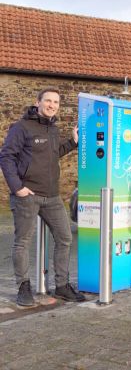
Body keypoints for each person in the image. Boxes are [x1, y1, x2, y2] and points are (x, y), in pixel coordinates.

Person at [0, 88, 85, 306]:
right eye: (48, 100)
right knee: (23, 242)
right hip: (27, 195)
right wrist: (17, 187)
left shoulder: (53, 129)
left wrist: (73, 142)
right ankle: (23, 287)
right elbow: (7, 157)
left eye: (56, 102)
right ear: (37, 102)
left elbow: (53, 153)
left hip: (52, 196)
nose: (52, 105)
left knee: (65, 237)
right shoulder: (21, 127)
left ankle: (62, 286)